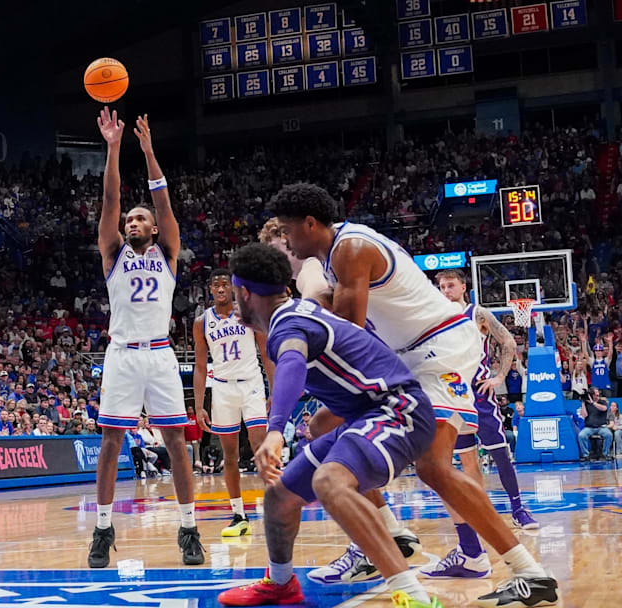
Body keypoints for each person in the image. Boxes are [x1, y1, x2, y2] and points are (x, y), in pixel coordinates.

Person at [274, 184, 558, 605]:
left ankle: (527, 571)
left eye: (287, 232)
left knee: (434, 465)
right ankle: (390, 532)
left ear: (309, 224)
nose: (287, 242)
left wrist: (306, 304)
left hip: (439, 347)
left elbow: (348, 330)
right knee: (331, 428)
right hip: (408, 356)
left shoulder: (350, 249)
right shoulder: (338, 254)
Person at [216, 243, 440, 608]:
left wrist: (275, 429)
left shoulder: (287, 325)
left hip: (399, 411)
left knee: (328, 481)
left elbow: (291, 362)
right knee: (280, 496)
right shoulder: (296, 311)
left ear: (243, 293)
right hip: (368, 416)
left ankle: (415, 598)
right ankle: (281, 583)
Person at [88, 108, 202, 568]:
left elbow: (166, 204)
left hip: (159, 355)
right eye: (129, 220)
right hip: (121, 355)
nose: (132, 222)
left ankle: (189, 529)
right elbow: (110, 200)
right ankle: (101, 529)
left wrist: (150, 152)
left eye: (141, 219)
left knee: (176, 440)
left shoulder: (168, 252)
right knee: (111, 442)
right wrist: (114, 148)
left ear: (153, 228)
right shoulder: (112, 252)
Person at [436, 269, 538, 531]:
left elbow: (507, 342)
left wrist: (499, 377)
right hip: (453, 395)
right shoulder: (435, 316)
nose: (446, 291)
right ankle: (481, 510)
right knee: (467, 459)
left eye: (450, 286)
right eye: (442, 287)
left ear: (462, 287)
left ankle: (518, 508)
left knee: (500, 454)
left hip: (479, 394)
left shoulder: (478, 313)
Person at [192, 268, 272, 537]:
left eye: (225, 284)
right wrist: (200, 405)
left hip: (251, 385)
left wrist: (275, 390)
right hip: (222, 389)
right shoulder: (202, 322)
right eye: (216, 285)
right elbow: (201, 366)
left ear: (233, 288)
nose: (221, 289)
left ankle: (276, 505)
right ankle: (238, 514)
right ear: (211, 290)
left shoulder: (248, 314)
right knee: (230, 455)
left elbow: (266, 353)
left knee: (260, 446)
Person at [578, 387, 611, 460]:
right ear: (591, 395)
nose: (597, 396)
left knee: (608, 434)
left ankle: (606, 454)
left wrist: (593, 403)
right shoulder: (586, 404)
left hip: (601, 427)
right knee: (581, 435)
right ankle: (585, 455)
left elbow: (604, 408)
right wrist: (583, 403)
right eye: (596, 395)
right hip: (589, 427)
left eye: (598, 394)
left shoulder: (602, 401)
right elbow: (584, 415)